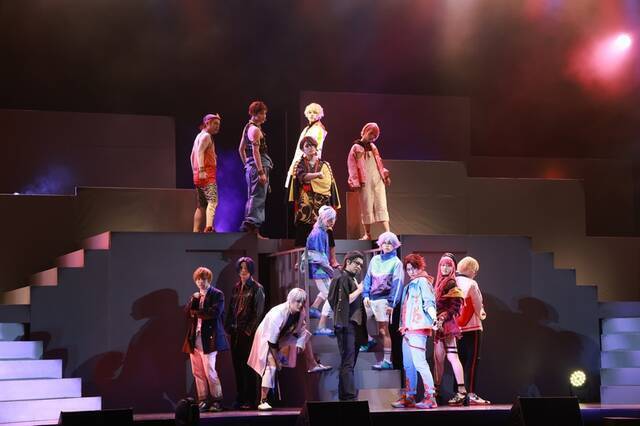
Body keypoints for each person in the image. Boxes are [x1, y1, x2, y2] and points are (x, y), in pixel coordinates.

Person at [247, 288, 331, 411]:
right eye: (297, 301)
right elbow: (272, 342)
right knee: (272, 367)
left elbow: (301, 330)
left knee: (306, 334)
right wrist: (277, 360)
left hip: (282, 336)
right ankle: (263, 400)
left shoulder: (300, 312)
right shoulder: (277, 314)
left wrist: (299, 345)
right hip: (266, 338)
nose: (300, 304)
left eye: (302, 302)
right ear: (290, 300)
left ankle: (312, 364)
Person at [392, 254, 438, 409]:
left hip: (418, 328)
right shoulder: (410, 285)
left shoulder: (423, 282)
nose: (411, 272)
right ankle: (410, 396)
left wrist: (434, 318)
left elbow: (429, 302)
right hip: (407, 328)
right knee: (408, 364)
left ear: (420, 267)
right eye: (409, 269)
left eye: (414, 268)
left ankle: (430, 397)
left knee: (419, 363)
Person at [182, 266, 229, 412]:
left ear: (208, 279)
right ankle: (203, 400)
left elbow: (214, 313)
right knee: (197, 372)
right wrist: (194, 302)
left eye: (203, 279)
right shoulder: (196, 296)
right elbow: (187, 313)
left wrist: (196, 312)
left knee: (210, 371)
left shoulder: (217, 294)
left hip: (209, 338)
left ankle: (217, 400)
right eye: (197, 280)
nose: (200, 282)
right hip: (195, 337)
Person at [288, 135, 341, 261]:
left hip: (321, 201)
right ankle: (298, 261)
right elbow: (302, 177)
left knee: (327, 229)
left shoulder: (325, 164)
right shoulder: (300, 164)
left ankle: (333, 259)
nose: (310, 148)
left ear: (316, 147)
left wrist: (311, 180)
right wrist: (317, 175)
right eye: (307, 146)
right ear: (303, 149)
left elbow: (326, 183)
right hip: (305, 201)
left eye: (312, 145)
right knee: (302, 229)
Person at [224, 257, 265, 409]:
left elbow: (258, 313)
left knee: (249, 367)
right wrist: (228, 327)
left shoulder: (257, 288)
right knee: (237, 367)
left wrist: (248, 331)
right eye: (241, 268)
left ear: (251, 270)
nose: (243, 271)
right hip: (235, 333)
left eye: (246, 268)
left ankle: (250, 399)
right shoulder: (236, 288)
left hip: (248, 334)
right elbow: (231, 309)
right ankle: (240, 398)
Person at [327, 251, 367, 401]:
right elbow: (342, 301)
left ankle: (345, 394)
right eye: (357, 263)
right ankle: (348, 396)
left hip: (355, 326)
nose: (359, 267)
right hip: (346, 325)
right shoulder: (341, 278)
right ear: (348, 262)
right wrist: (360, 290)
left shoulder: (352, 279)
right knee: (348, 361)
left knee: (349, 362)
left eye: (361, 265)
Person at [362, 231, 404, 370]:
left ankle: (387, 361)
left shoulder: (396, 263)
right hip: (371, 299)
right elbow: (368, 278)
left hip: (384, 300)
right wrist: (365, 294)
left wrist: (392, 303)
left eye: (390, 243)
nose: (386, 245)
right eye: (384, 243)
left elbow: (397, 285)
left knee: (383, 330)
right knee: (361, 320)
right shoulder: (375, 260)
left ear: (394, 245)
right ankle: (369, 340)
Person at [432, 253, 468, 406]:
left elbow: (455, 306)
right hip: (438, 325)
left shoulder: (451, 282)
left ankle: (462, 391)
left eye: (448, 265)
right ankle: (436, 391)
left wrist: (442, 318)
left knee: (452, 357)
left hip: (447, 324)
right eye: (442, 265)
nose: (445, 268)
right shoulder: (440, 282)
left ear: (453, 267)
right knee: (438, 359)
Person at [455, 256, 491, 405]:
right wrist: (482, 314)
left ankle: (458, 394)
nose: (475, 273)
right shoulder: (471, 283)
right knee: (472, 361)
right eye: (475, 270)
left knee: (458, 361)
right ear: (470, 269)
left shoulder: (452, 282)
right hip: (473, 327)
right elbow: (478, 305)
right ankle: (471, 393)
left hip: (456, 328)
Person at [347, 122, 391, 241]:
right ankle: (367, 234)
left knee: (381, 203)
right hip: (364, 181)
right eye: (371, 134)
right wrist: (355, 182)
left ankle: (388, 232)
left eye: (375, 136)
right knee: (366, 205)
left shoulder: (373, 147)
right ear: (365, 132)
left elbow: (379, 162)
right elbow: (352, 166)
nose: (372, 137)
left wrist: (385, 176)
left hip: (377, 179)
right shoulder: (356, 147)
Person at [238, 101, 273, 238]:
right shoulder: (255, 130)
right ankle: (250, 228)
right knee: (258, 198)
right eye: (263, 113)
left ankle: (254, 232)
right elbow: (255, 152)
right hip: (259, 166)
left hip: (253, 166)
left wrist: (247, 165)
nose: (265, 116)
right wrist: (260, 172)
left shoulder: (247, 127)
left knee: (254, 197)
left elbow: (241, 149)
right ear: (255, 114)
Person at [305, 205, 337, 335]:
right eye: (329, 219)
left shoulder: (322, 231)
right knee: (332, 294)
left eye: (333, 219)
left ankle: (313, 308)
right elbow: (318, 256)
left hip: (321, 268)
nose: (332, 222)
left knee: (328, 291)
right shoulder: (318, 233)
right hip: (319, 269)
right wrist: (329, 269)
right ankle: (321, 326)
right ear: (322, 218)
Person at [285, 102, 327, 189]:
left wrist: (306, 163)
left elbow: (315, 148)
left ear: (320, 115)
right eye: (310, 112)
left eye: (315, 112)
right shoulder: (307, 128)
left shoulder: (318, 129)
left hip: (308, 162)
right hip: (300, 160)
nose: (312, 114)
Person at [191, 114, 221, 233]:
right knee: (213, 201)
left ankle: (195, 231)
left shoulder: (199, 136)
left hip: (198, 175)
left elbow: (192, 156)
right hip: (207, 175)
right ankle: (208, 228)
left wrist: (195, 172)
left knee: (201, 205)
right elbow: (199, 152)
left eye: (218, 124)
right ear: (207, 123)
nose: (217, 126)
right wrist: (202, 170)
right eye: (215, 123)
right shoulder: (206, 136)